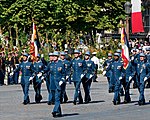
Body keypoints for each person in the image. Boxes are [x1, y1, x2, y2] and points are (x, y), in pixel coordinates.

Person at [39, 51, 65, 117]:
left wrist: (62, 80)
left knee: (57, 98)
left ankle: (55, 110)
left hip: (58, 83)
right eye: (53, 56)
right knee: (54, 98)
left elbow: (64, 74)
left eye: (55, 56)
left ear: (57, 57)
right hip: (52, 83)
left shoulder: (61, 64)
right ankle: (59, 112)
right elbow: (46, 69)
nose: (53, 57)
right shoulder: (51, 64)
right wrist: (41, 72)